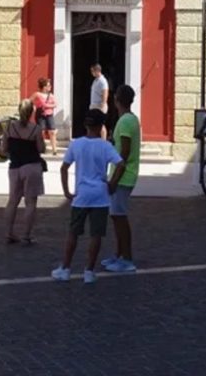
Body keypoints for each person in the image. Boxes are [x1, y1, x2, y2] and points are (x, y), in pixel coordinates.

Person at [52, 109, 125, 284]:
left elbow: (64, 168)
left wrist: (66, 191)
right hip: (100, 195)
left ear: (85, 125)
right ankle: (89, 271)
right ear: (101, 127)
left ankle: (66, 268)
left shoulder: (76, 144)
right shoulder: (106, 146)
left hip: (82, 194)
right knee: (96, 234)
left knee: (73, 233)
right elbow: (121, 164)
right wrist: (112, 184)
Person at [103, 85, 140, 274]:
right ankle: (119, 255)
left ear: (117, 100)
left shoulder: (125, 122)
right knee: (116, 216)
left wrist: (114, 180)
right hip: (125, 175)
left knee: (120, 217)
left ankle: (127, 259)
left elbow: (124, 152)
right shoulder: (130, 119)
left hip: (123, 177)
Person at [0, 99, 45, 245]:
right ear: (32, 112)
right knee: (30, 202)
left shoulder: (9, 128)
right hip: (32, 166)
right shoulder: (35, 129)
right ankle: (26, 236)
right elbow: (41, 149)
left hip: (14, 167)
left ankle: (8, 233)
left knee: (12, 201)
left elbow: (2, 149)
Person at [32, 77, 58, 156]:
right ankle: (42, 148)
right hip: (40, 115)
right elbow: (29, 101)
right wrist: (33, 107)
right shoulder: (37, 94)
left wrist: (46, 105)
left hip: (49, 114)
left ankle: (54, 150)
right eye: (48, 86)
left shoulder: (51, 95)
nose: (50, 87)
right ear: (44, 87)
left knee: (52, 132)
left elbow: (55, 104)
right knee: (41, 132)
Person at [88, 63, 109, 140]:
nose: (91, 73)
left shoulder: (102, 81)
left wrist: (103, 105)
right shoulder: (95, 80)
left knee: (101, 125)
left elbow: (105, 92)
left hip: (99, 106)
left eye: (92, 71)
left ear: (97, 71)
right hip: (94, 106)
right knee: (93, 124)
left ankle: (103, 141)